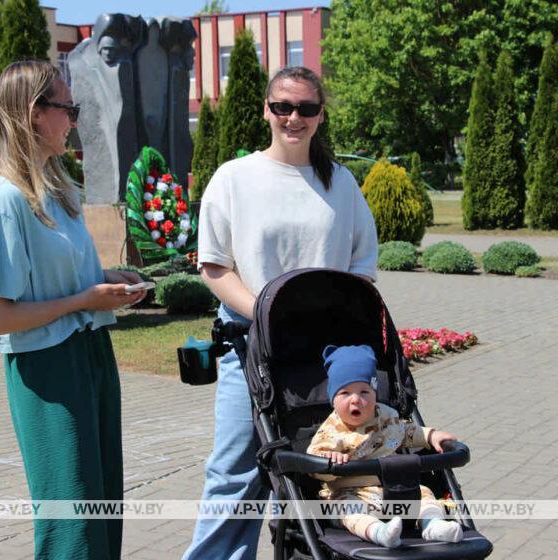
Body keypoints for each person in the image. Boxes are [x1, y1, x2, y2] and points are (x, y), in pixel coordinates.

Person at [183, 66, 379, 560]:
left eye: (307, 109)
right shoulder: (235, 178)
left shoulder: (341, 185)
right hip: (249, 346)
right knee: (235, 474)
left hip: (322, 353)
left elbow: (361, 268)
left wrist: (320, 320)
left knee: (316, 469)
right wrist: (271, 315)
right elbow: (215, 266)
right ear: (267, 111)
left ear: (319, 116)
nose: (294, 118)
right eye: (283, 107)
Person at [0, 60, 146, 560]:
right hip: (48, 370)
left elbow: (61, 279)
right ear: (33, 114)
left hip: (89, 354)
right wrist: (83, 301)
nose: (74, 120)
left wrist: (109, 282)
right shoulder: (4, 200)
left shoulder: (57, 187)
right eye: (68, 108)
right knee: (72, 519)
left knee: (103, 502)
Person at [307, 344, 464, 548]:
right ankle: (379, 533)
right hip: (351, 491)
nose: (356, 400)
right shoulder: (331, 430)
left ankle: (433, 525)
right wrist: (330, 460)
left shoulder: (386, 416)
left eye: (364, 392)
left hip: (393, 488)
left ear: (374, 393)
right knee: (346, 509)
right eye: (345, 393)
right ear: (333, 399)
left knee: (424, 494)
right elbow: (314, 460)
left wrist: (431, 435)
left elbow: (407, 432)